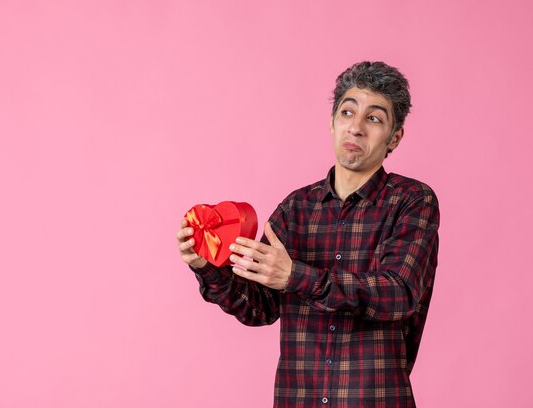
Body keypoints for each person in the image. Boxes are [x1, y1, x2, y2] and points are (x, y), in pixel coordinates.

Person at [176, 61, 439, 408]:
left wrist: (296, 276)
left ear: (394, 137)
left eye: (374, 118)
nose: (356, 128)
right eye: (347, 112)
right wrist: (207, 264)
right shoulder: (295, 208)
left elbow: (398, 293)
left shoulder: (411, 200)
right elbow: (259, 308)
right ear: (332, 123)